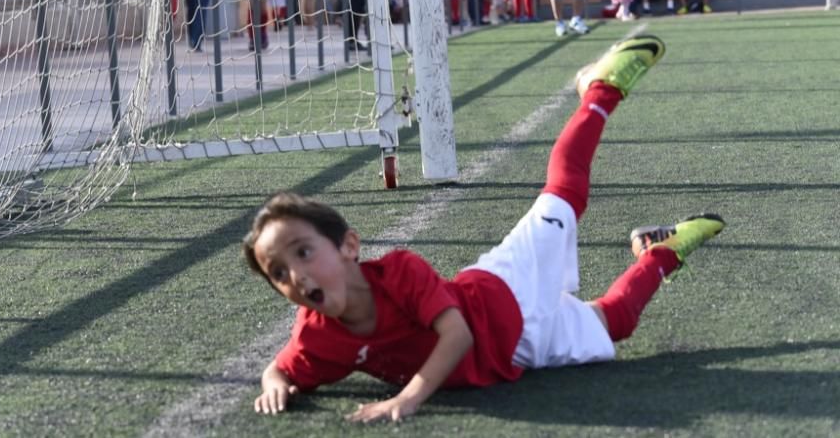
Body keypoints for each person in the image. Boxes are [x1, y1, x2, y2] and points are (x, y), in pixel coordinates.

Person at [245, 35, 725, 422]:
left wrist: (407, 399)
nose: (296, 277)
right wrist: (276, 385)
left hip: (507, 288)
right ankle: (663, 252)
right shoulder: (317, 335)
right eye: (279, 274)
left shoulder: (397, 272)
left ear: (349, 245)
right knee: (617, 323)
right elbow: (281, 367)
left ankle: (601, 91)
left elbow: (457, 336)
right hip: (517, 354)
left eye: (302, 252)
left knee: (567, 193)